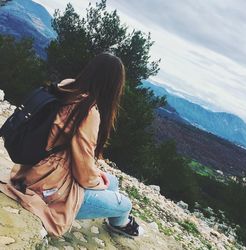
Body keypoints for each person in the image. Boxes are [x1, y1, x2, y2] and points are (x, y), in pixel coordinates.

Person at [0, 52, 143, 237]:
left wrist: (98, 176)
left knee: (112, 182)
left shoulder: (66, 87)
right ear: (113, 86)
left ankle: (114, 218)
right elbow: (84, 175)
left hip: (34, 167)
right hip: (50, 186)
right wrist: (97, 180)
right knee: (125, 205)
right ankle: (121, 223)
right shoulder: (88, 111)